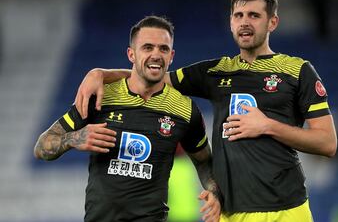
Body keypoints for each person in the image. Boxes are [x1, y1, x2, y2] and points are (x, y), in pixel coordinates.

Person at [75, 0, 337, 222]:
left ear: (273, 22)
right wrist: (99, 73)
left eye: (254, 16)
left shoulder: (297, 71)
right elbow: (151, 75)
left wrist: (268, 126)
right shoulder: (216, 71)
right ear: (231, 23)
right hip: (230, 213)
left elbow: (327, 143)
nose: (245, 23)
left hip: (286, 209)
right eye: (239, 16)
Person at [34, 16, 221, 222]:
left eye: (163, 49)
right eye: (147, 47)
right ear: (131, 54)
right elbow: (42, 147)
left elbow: (204, 162)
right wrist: (75, 138)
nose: (156, 55)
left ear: (172, 55)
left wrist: (214, 191)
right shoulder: (101, 97)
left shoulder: (184, 109)